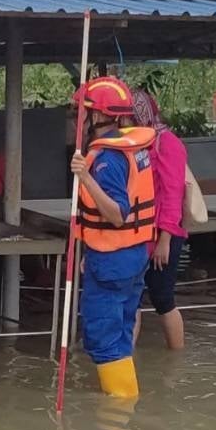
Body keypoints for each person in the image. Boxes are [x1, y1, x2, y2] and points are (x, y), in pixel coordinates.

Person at [69, 76, 156, 398]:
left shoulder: (107, 160)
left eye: (83, 112)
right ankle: (124, 400)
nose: (79, 117)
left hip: (114, 259)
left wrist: (84, 176)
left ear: (99, 116)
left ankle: (118, 412)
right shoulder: (130, 147)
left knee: (103, 337)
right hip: (129, 255)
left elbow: (117, 214)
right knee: (119, 332)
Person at [130, 89, 187, 350]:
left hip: (163, 233)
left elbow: (173, 193)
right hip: (138, 233)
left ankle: (176, 356)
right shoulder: (135, 142)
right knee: (132, 297)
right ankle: (124, 355)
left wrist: (165, 238)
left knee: (163, 298)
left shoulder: (167, 142)